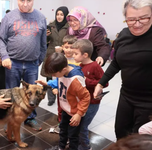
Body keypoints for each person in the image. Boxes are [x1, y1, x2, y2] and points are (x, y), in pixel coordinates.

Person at [94, 0, 152, 140]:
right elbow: (116, 63)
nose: (137, 24)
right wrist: (101, 83)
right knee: (121, 132)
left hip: (149, 102)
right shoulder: (124, 35)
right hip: (126, 96)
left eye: (144, 18)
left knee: (140, 140)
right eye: (131, 19)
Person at [0, 0, 47, 131]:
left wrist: (39, 59)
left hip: (32, 64)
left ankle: (30, 118)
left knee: (34, 94)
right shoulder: (9, 17)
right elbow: (0, 39)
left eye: (28, 1)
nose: (25, 4)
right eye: (21, 0)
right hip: (12, 63)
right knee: (11, 94)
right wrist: (5, 56)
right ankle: (10, 120)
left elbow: (43, 43)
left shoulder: (41, 17)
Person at [37, 52, 90, 150]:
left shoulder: (75, 80)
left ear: (64, 69)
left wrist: (79, 113)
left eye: (54, 73)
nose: (53, 75)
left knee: (73, 136)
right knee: (63, 131)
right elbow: (59, 81)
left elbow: (86, 97)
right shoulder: (62, 72)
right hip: (66, 110)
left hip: (75, 113)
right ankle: (61, 147)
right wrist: (47, 83)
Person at [71, 39, 108, 150]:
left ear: (85, 54)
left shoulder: (95, 66)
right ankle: (78, 143)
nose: (73, 56)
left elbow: (105, 82)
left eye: (75, 54)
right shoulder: (80, 65)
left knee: (83, 127)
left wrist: (87, 81)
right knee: (78, 124)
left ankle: (85, 146)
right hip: (82, 101)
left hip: (92, 102)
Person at [41, 6, 69, 106]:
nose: (59, 16)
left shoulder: (69, 27)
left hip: (63, 55)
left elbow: (70, 41)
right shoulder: (51, 25)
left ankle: (61, 97)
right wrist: (46, 36)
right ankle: (51, 98)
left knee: (61, 76)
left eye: (61, 14)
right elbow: (44, 41)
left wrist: (63, 48)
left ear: (65, 15)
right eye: (57, 14)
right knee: (49, 77)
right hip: (50, 54)